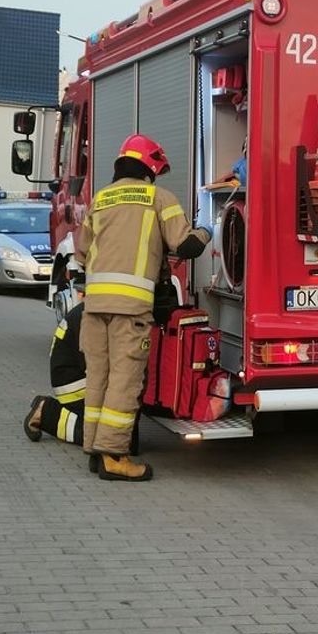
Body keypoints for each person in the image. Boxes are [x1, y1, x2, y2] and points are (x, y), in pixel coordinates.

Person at [75, 133, 212, 481]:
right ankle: (114, 457)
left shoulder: (100, 199)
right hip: (131, 311)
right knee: (125, 381)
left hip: (94, 308)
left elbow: (81, 254)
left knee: (99, 379)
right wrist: (208, 231)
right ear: (150, 167)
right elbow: (184, 245)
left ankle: (95, 449)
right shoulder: (158, 198)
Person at [23, 260, 88, 446]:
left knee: (126, 438)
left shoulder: (89, 311)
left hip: (73, 377)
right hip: (74, 386)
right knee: (99, 436)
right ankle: (46, 413)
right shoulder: (91, 317)